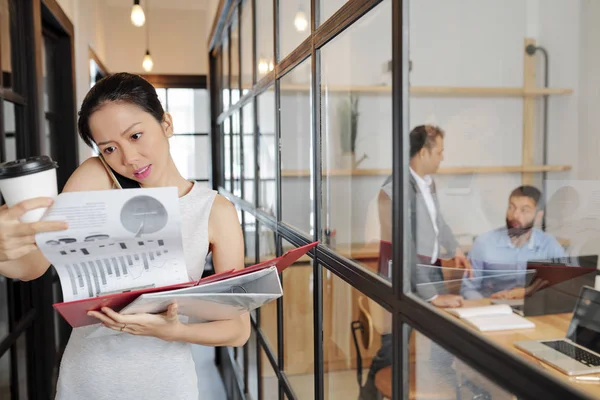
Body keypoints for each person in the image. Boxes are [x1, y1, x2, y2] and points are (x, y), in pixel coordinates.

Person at [0, 73, 250, 400]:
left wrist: (175, 331)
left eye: (135, 135)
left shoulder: (215, 211)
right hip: (87, 381)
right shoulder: (98, 177)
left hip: (167, 385)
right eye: (109, 148)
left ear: (167, 124)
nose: (128, 158)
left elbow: (237, 329)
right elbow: (35, 264)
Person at [357, 125, 467, 400]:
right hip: (403, 275)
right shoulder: (396, 189)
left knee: (444, 343)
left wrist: (455, 247)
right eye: (439, 152)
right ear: (422, 152)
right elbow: (405, 250)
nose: (443, 157)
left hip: (428, 269)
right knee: (393, 350)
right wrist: (433, 296)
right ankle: (369, 396)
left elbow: (437, 222)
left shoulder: (428, 183)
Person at [461, 185, 567, 300]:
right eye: (511, 207)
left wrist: (527, 292)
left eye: (524, 210)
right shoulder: (484, 243)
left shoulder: (549, 244)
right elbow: (468, 289)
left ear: (538, 216)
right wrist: (488, 303)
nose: (515, 215)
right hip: (492, 310)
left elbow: (566, 284)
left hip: (533, 309)